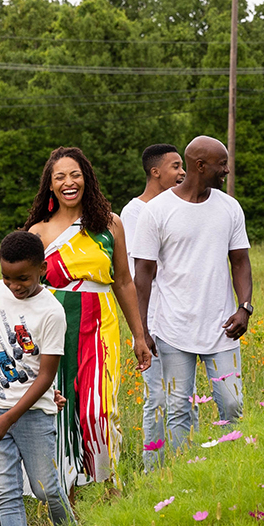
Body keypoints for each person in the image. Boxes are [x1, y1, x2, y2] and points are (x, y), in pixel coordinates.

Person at [29, 147, 152, 488]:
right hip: (52, 326)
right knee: (55, 408)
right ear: (50, 187)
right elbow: (21, 290)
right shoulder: (37, 232)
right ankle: (61, 487)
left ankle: (105, 484)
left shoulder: (110, 224)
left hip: (99, 325)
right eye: (60, 177)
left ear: (87, 179)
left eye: (75, 175)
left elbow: (125, 282)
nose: (69, 182)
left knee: (96, 411)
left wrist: (139, 336)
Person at [129, 135, 253, 457]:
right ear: (201, 166)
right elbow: (142, 275)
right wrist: (141, 331)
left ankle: (234, 465)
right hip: (173, 329)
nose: (226, 170)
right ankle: (184, 471)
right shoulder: (156, 211)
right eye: (222, 164)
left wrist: (245, 308)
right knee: (178, 409)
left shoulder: (229, 207)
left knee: (232, 402)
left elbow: (240, 260)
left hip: (223, 328)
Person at [0, 230, 74, 526]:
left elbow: (46, 376)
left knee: (45, 487)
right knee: (4, 489)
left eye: (23, 278)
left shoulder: (51, 313)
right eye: (7, 277)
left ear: (43, 270)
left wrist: (10, 418)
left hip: (32, 413)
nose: (14, 285)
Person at [119, 143, 183, 463]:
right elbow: (137, 272)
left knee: (181, 398)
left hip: (178, 317)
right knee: (157, 397)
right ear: (155, 172)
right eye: (176, 166)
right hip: (150, 319)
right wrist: (140, 330)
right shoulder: (135, 212)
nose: (182, 172)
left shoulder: (179, 207)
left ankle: (182, 464)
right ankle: (153, 470)